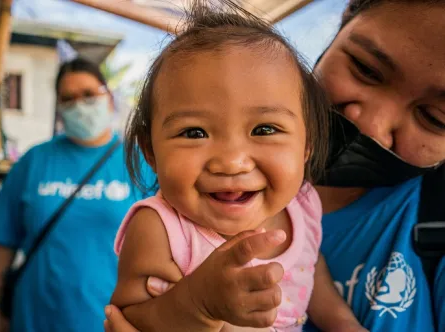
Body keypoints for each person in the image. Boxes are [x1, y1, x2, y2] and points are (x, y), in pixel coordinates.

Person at [104, 0, 445, 331]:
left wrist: (342, 323)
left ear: (308, 142)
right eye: (194, 132)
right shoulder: (159, 229)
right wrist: (196, 305)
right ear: (149, 150)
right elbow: (129, 316)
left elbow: (309, 266)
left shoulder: (300, 203)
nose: (232, 161)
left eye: (434, 117)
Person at [0, 57, 153, 332]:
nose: (79, 106)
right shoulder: (34, 161)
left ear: (108, 97)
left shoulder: (140, 162)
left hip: (115, 322)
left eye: (88, 94)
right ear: (59, 108)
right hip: (34, 318)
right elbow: (2, 244)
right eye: (68, 99)